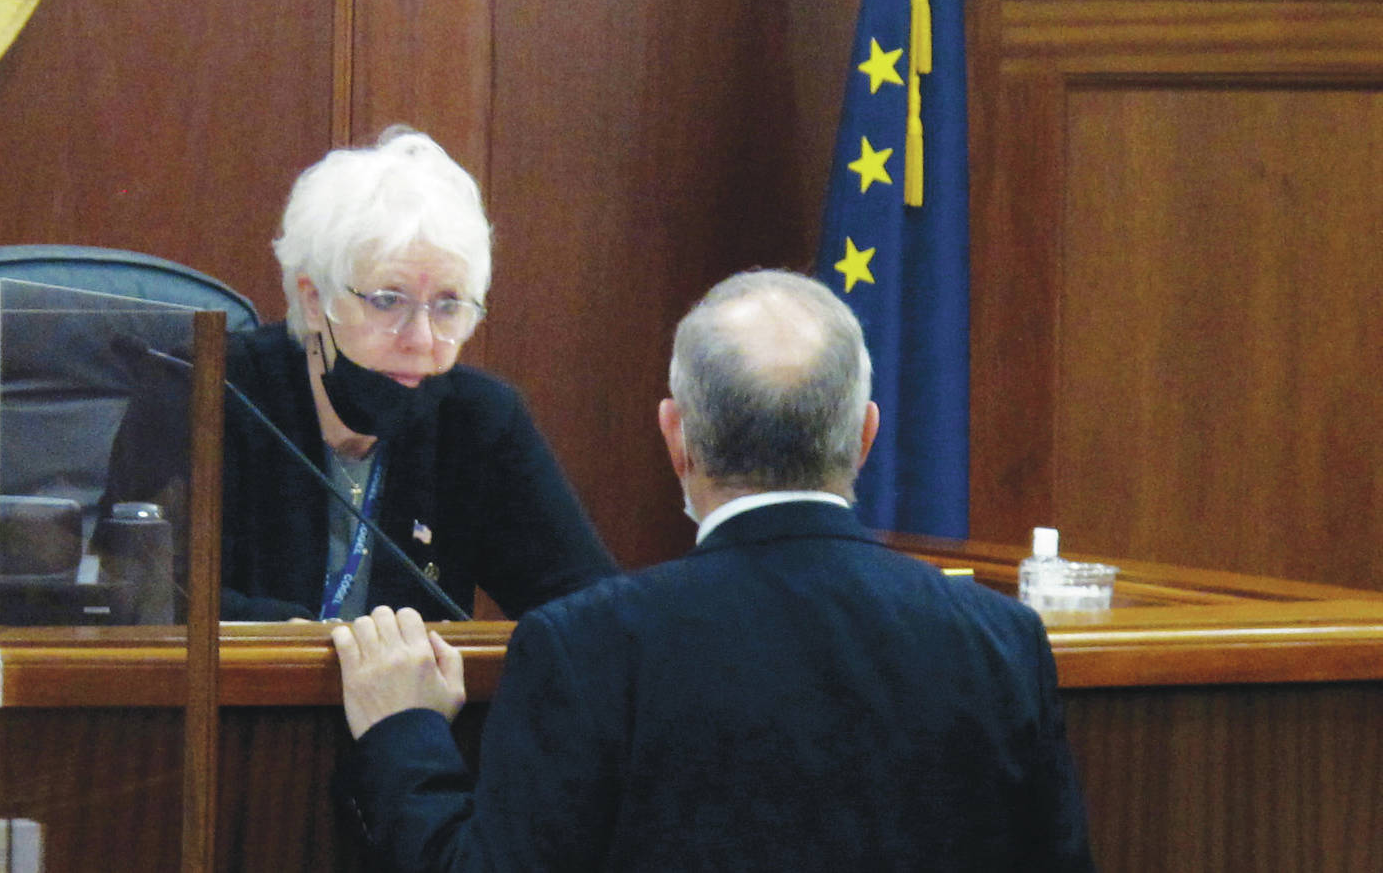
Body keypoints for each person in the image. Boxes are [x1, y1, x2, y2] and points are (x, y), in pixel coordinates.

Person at [332, 268, 1097, 871]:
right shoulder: (1002, 642)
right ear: (865, 437)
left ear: (677, 438)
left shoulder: (590, 646)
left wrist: (403, 729)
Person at [107, 126, 615, 621]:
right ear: (313, 300)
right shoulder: (202, 392)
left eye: (447, 306)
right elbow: (145, 601)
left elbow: (591, 614)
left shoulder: (479, 419)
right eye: (388, 300)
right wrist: (310, 648)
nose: (420, 339)